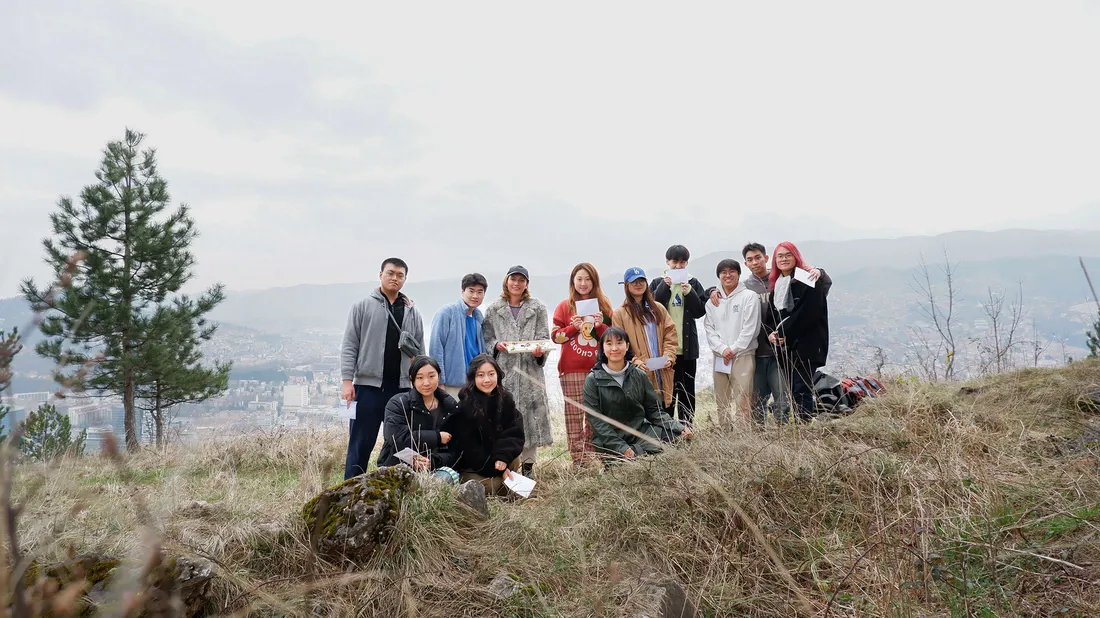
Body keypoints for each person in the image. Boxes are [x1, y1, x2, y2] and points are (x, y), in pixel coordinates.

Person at [708, 243, 830, 424]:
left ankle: (789, 430)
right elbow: (727, 290)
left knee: (785, 397)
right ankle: (761, 436)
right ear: (745, 264)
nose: (755, 262)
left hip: (782, 350)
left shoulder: (782, 280)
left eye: (758, 257)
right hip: (757, 350)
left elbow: (820, 288)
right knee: (757, 399)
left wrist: (819, 271)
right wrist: (711, 291)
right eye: (750, 259)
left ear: (766, 259)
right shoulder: (746, 287)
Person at [341, 258, 425, 479]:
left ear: (405, 279)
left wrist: (421, 383)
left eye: (400, 275)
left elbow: (420, 350)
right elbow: (350, 344)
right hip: (367, 387)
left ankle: (398, 487)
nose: (395, 278)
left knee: (401, 443)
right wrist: (347, 381)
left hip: (401, 390)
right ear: (380, 275)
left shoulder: (411, 312)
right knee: (360, 443)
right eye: (391, 273)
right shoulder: (362, 307)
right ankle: (350, 489)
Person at [481, 265, 553, 478]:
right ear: (506, 281)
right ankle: (505, 467)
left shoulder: (537, 308)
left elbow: (543, 336)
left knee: (531, 422)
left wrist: (540, 351)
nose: (517, 283)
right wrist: (496, 345)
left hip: (530, 373)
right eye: (513, 279)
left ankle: (529, 470)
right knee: (504, 419)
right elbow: (487, 339)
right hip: (504, 373)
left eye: (522, 280)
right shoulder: (494, 309)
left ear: (526, 284)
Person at [582, 328, 691, 461]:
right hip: (610, 440)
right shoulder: (593, 380)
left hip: (641, 432)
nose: (614, 348)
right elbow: (597, 422)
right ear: (602, 348)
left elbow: (654, 411)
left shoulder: (639, 375)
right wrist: (621, 448)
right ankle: (633, 455)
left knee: (677, 439)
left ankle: (640, 452)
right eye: (609, 344)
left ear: (627, 346)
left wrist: (678, 427)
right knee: (627, 461)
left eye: (619, 343)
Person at [550, 262, 613, 467]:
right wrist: (572, 328)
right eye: (579, 279)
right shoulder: (564, 306)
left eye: (587, 279)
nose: (583, 283)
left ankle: (593, 453)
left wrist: (600, 325)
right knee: (574, 415)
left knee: (596, 413)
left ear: (594, 281)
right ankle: (579, 459)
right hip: (571, 369)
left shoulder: (604, 305)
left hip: (599, 368)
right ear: (573, 282)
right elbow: (556, 337)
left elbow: (613, 338)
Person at [763, 241, 831, 422]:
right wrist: (771, 333)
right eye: (780, 256)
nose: (784, 259)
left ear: (796, 257)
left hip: (806, 344)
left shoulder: (808, 279)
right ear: (775, 260)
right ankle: (802, 424)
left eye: (788, 255)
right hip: (787, 347)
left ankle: (804, 425)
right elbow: (771, 315)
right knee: (794, 389)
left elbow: (808, 313)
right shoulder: (778, 284)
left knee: (801, 388)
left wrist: (784, 333)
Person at [452, 354, 526, 495]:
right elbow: (469, 449)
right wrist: (498, 469)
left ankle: (506, 481)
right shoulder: (465, 406)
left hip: (497, 459)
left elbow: (514, 432)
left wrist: (502, 456)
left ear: (498, 375)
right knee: (491, 486)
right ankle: (503, 481)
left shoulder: (506, 399)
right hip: (474, 466)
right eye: (481, 375)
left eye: (491, 374)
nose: (487, 380)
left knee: (515, 459)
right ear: (473, 378)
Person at [649, 245, 707, 426]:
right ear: (667, 262)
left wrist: (689, 292)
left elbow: (699, 311)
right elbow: (651, 310)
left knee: (687, 392)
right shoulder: (658, 282)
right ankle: (668, 429)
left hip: (688, 349)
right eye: (675, 262)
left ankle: (686, 428)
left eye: (682, 262)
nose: (678, 266)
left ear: (687, 263)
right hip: (665, 350)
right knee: (666, 390)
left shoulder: (693, 283)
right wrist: (663, 287)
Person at [703, 259, 761, 426]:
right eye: (723, 272)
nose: (727, 275)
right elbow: (709, 329)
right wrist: (722, 349)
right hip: (720, 357)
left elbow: (750, 328)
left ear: (738, 273)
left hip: (742, 355)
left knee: (743, 399)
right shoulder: (712, 302)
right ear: (719, 277)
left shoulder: (749, 297)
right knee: (722, 401)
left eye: (731, 271)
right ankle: (726, 436)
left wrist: (733, 349)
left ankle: (744, 438)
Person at [377, 356, 460, 471]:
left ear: (439, 376)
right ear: (412, 379)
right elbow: (397, 438)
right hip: (398, 466)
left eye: (431, 376)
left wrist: (432, 461)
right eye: (420, 378)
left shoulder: (450, 406)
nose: (426, 383)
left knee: (446, 478)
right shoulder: (398, 403)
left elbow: (455, 449)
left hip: (435, 467)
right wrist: (437, 437)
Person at [611, 267, 678, 411]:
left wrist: (669, 356)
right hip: (638, 373)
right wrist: (635, 361)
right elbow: (619, 344)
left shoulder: (658, 308)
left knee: (665, 412)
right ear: (626, 286)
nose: (638, 284)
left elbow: (670, 334)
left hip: (662, 370)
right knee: (644, 413)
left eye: (641, 280)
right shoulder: (620, 314)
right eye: (634, 281)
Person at [429, 273, 488, 398]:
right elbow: (436, 349)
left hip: (475, 384)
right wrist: (439, 381)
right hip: (452, 385)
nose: (475, 296)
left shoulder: (479, 318)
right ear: (462, 292)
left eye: (480, 292)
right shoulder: (447, 313)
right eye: (471, 291)